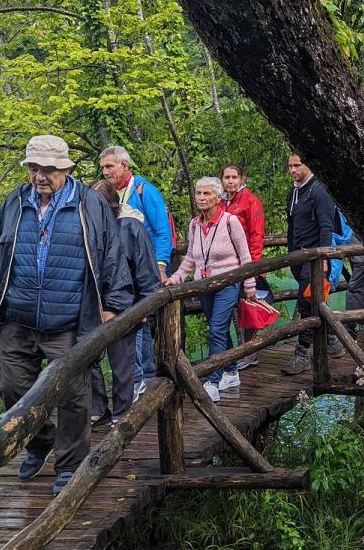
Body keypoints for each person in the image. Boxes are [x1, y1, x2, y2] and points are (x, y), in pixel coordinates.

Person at [0, 135, 133, 497]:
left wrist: (111, 306)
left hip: (69, 319)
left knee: (74, 397)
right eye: (33, 168)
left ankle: (70, 465)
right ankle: (40, 440)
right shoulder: (15, 201)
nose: (39, 176)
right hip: (17, 317)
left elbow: (111, 255)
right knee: (12, 388)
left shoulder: (89, 203)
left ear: (65, 169)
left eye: (47, 169)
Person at [164, 177, 256, 402]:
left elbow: (245, 257)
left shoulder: (230, 222)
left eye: (206, 194)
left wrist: (250, 285)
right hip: (204, 285)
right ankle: (231, 372)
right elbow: (191, 258)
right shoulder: (195, 224)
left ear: (217, 197)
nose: (201, 198)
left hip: (228, 283)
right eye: (198, 193)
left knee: (216, 329)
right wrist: (175, 278)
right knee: (219, 329)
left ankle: (213, 381)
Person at [99, 146, 174, 403]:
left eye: (109, 166)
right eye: (103, 167)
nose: (105, 171)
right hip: (125, 271)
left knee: (139, 319)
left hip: (145, 267)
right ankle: (144, 375)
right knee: (137, 322)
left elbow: (162, 230)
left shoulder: (144, 190)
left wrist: (161, 265)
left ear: (125, 165)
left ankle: (143, 376)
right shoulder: (110, 191)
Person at [89, 179, 162, 426]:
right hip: (93, 306)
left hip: (125, 305)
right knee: (87, 359)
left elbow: (147, 270)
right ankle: (98, 408)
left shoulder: (131, 228)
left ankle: (122, 412)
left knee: (122, 362)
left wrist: (146, 306)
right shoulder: (86, 230)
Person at [281, 154, 346, 375]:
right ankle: (332, 341)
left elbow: (326, 226)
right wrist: (291, 254)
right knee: (314, 302)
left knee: (305, 303)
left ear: (308, 165)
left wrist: (324, 258)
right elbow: (292, 225)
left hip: (315, 257)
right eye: (290, 166)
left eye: (297, 165)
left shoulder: (319, 191)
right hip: (298, 256)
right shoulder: (293, 193)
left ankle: (302, 353)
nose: (293, 170)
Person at [220, 164, 267, 369]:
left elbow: (257, 235)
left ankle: (250, 353)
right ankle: (232, 354)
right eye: (227, 177)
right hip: (226, 265)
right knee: (229, 307)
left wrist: (253, 268)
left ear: (241, 179)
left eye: (234, 177)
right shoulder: (220, 202)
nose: (230, 181)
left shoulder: (251, 201)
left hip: (245, 263)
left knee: (249, 307)